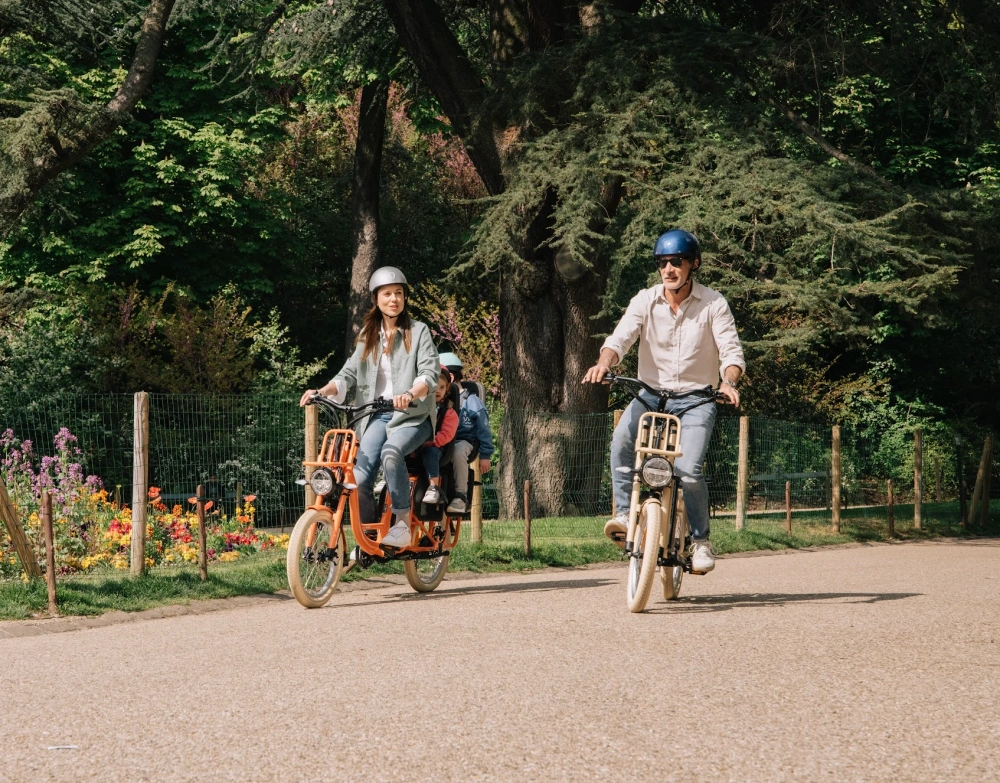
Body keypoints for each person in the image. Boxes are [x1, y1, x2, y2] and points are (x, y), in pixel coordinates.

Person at [582, 229, 744, 573]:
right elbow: (621, 337)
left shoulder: (713, 303)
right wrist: (603, 363)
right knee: (621, 442)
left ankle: (701, 541)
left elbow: (731, 351)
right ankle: (626, 514)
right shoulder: (645, 300)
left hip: (698, 399)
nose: (668, 269)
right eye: (661, 263)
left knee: (688, 469)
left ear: (693, 264)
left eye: (676, 262)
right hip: (650, 393)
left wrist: (727, 382)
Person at [299, 266, 440, 549]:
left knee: (391, 452)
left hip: (413, 416)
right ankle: (369, 534)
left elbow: (429, 373)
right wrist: (322, 390)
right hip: (376, 416)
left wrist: (410, 392)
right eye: (387, 294)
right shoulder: (369, 334)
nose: (394, 299)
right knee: (359, 477)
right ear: (376, 299)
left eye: (399, 293)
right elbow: (348, 374)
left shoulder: (418, 331)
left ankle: (401, 523)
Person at [437, 352, 495, 515]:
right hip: (443, 439)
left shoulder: (471, 400)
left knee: (457, 450)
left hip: (463, 441)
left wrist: (485, 455)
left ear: (450, 376)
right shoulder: (439, 399)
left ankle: (460, 496)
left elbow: (483, 428)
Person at [420, 366, 460, 505]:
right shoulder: (418, 407)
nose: (437, 391)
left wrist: (431, 442)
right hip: (417, 446)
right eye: (434, 387)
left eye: (441, 387)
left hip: (437, 447)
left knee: (430, 452)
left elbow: (446, 434)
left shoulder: (449, 413)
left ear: (447, 389)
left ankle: (433, 487)